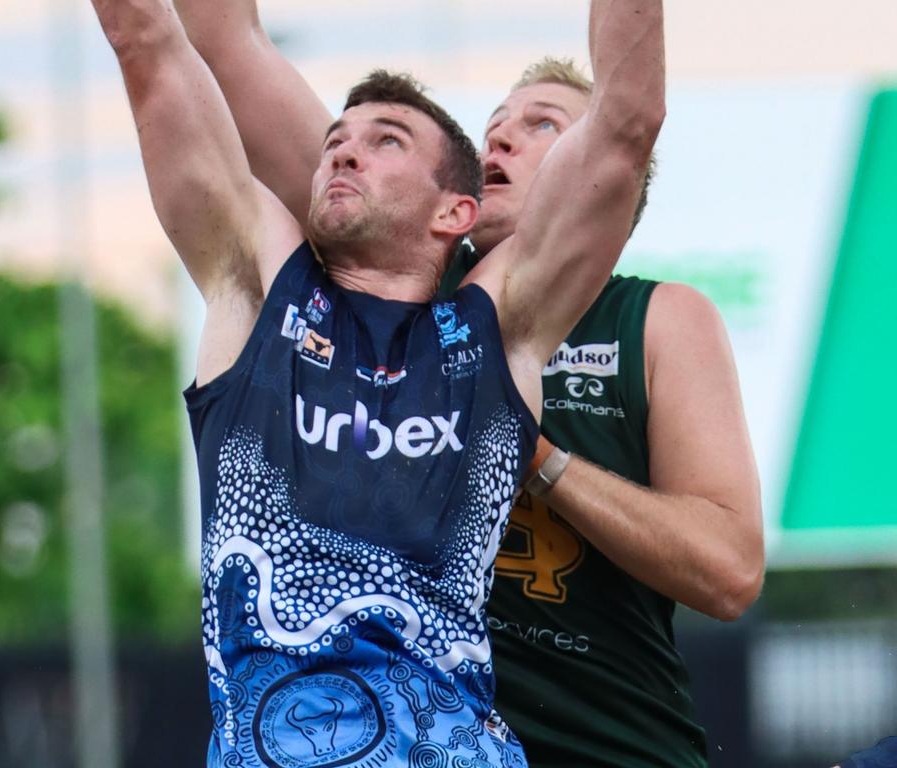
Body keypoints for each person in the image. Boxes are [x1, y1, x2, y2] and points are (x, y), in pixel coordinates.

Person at [176, 1, 761, 766]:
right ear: (452, 204)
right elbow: (228, 41)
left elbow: (728, 571)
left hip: (617, 746)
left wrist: (539, 457)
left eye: (545, 123)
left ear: (613, 183)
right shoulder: (395, 280)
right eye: (493, 125)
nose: (503, 136)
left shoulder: (651, 318)